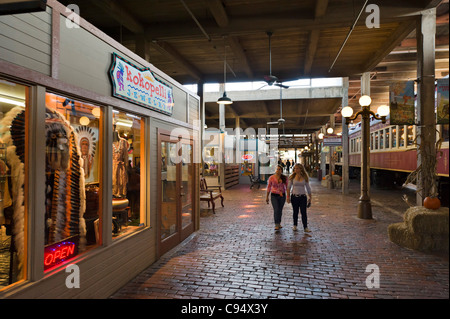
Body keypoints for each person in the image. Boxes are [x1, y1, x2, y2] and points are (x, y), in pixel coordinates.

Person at [286, 163, 312, 232]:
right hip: (294, 197)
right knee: (295, 211)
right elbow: (288, 187)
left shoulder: (305, 177)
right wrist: (288, 197)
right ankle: (295, 225)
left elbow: (308, 187)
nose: (295, 170)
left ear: (301, 169)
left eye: (297, 168)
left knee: (304, 212)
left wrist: (310, 197)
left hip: (303, 197)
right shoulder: (292, 177)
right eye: (295, 168)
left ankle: (305, 227)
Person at [266, 165, 288, 230]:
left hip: (282, 196)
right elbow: (269, 187)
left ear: (281, 170)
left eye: (279, 169)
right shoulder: (271, 178)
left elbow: (287, 187)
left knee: (280, 210)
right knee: (276, 209)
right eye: (277, 169)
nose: (278, 171)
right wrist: (267, 197)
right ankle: (276, 224)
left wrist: (288, 196)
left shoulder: (284, 178)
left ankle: (279, 222)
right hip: (274, 195)